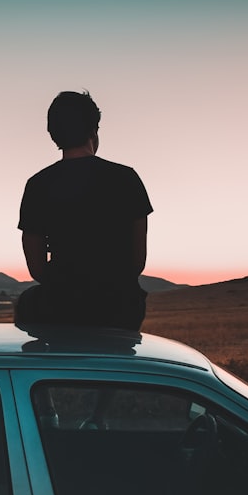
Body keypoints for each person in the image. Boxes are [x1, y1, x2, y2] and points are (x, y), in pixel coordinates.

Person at [16, 90, 152, 331]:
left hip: (60, 305)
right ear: (94, 130)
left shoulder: (37, 184)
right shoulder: (126, 178)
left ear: (53, 135)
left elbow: (36, 268)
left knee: (27, 302)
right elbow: (137, 261)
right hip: (120, 306)